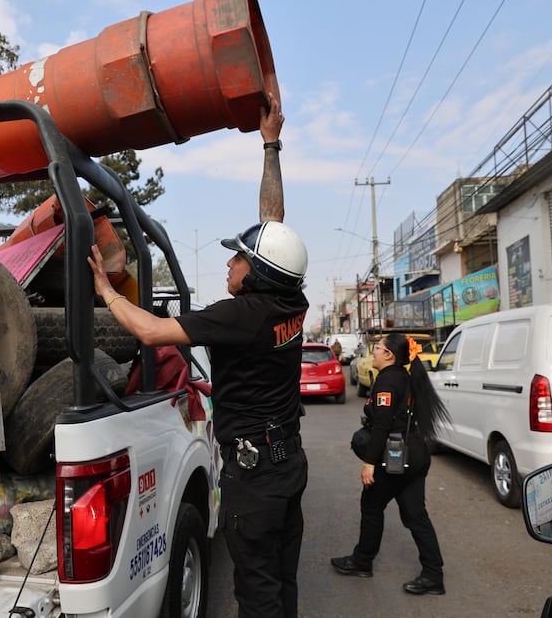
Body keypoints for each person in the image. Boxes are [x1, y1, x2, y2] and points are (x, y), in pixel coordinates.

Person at [88, 93, 310, 618]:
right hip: (287, 468)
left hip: (253, 478)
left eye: (237, 256)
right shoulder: (291, 298)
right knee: (281, 581)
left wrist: (107, 291)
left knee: (257, 595)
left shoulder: (238, 317)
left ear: (254, 273)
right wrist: (270, 144)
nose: (229, 262)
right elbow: (273, 224)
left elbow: (149, 329)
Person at [330, 333, 452, 595]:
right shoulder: (404, 377)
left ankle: (362, 561)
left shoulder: (388, 381)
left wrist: (369, 464)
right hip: (415, 453)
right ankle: (434, 575)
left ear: (389, 355)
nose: (373, 352)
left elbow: (382, 427)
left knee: (372, 506)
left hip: (396, 455)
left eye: (377, 348)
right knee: (415, 515)